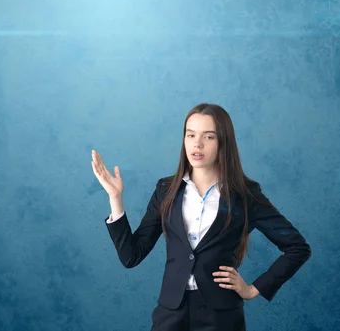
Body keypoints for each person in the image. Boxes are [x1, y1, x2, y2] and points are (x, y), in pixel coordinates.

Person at [91, 103, 312, 331]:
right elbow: (131, 256)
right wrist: (115, 198)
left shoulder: (246, 195)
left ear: (223, 143)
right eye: (190, 135)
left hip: (221, 317)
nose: (197, 144)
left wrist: (253, 289)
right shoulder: (166, 189)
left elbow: (298, 247)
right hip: (170, 314)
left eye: (208, 137)